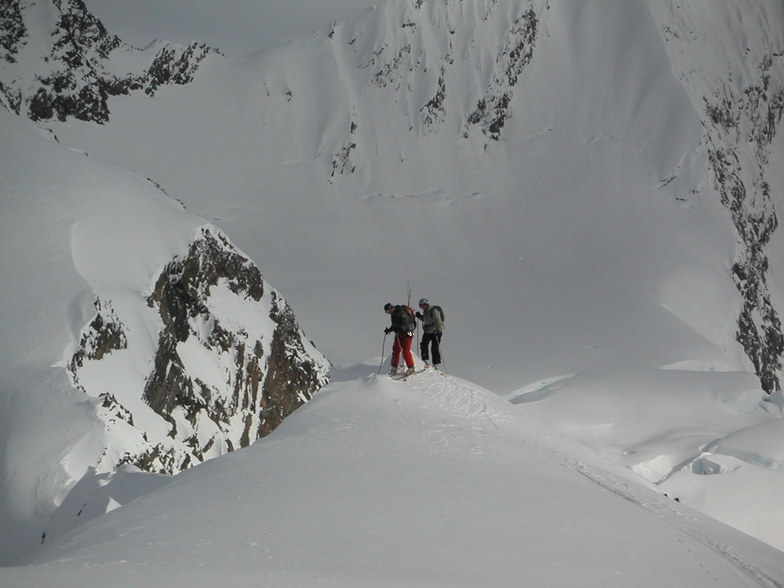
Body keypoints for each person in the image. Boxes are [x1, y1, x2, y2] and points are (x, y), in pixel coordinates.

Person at [384, 302, 416, 377]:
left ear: (391, 308)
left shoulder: (401, 312)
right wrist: (389, 330)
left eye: (388, 311)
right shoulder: (393, 314)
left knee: (405, 350)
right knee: (395, 350)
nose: (388, 313)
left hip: (408, 333)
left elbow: (405, 324)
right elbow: (395, 324)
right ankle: (394, 368)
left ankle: (411, 368)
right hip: (399, 334)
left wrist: (401, 329)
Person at [415, 298, 444, 369]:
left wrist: (438, 330)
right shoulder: (426, 311)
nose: (420, 307)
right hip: (428, 331)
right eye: (420, 305)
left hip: (435, 331)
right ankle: (425, 360)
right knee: (424, 344)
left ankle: (436, 363)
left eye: (421, 305)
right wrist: (419, 316)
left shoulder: (433, 311)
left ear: (426, 304)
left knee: (434, 347)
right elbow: (426, 320)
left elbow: (438, 321)